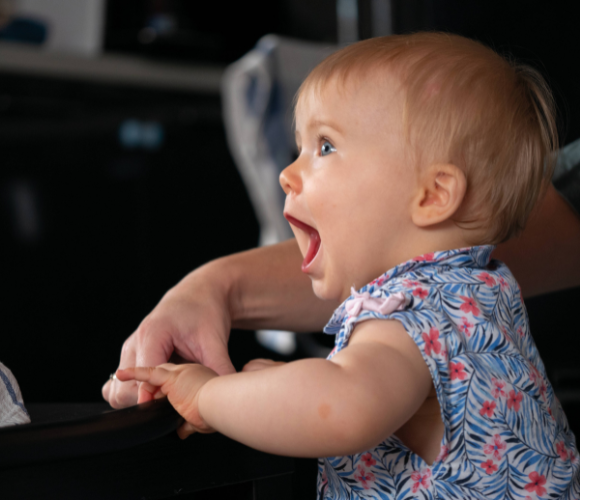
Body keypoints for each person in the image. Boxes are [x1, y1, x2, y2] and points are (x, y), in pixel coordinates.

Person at [108, 32, 579, 498]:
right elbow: (357, 390)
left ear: (433, 195)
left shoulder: (409, 311)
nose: (287, 174)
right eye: (299, 148)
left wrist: (206, 397)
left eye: (326, 146)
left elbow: (341, 408)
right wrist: (279, 390)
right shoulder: (480, 291)